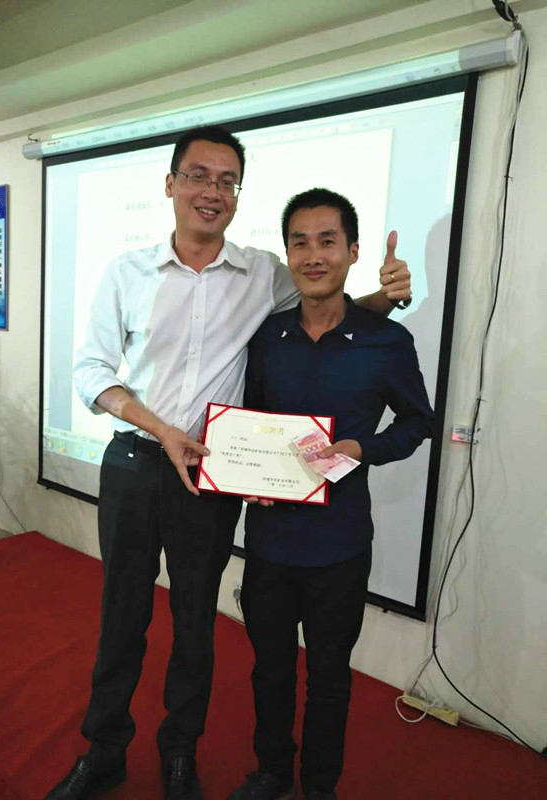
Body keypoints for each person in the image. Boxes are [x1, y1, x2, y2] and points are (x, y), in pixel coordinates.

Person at [45, 127, 412, 800]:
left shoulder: (263, 273)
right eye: (198, 176)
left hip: (211, 474)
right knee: (122, 615)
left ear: (237, 195)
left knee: (195, 624)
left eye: (226, 181)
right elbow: (91, 371)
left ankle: (179, 756)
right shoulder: (127, 272)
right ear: (170, 184)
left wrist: (385, 298)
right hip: (134, 462)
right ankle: (104, 751)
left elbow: (328, 313)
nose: (211, 191)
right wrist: (161, 428)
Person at [229, 188, 434, 800]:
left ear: (353, 251)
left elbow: (417, 422)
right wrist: (246, 473)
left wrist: (362, 449)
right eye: (300, 243)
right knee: (269, 669)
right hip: (269, 541)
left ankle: (319, 786)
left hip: (340, 544)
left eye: (327, 241)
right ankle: (271, 772)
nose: (313, 255)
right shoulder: (266, 337)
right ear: (287, 253)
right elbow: (246, 421)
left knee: (329, 677)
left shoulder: (385, 341)